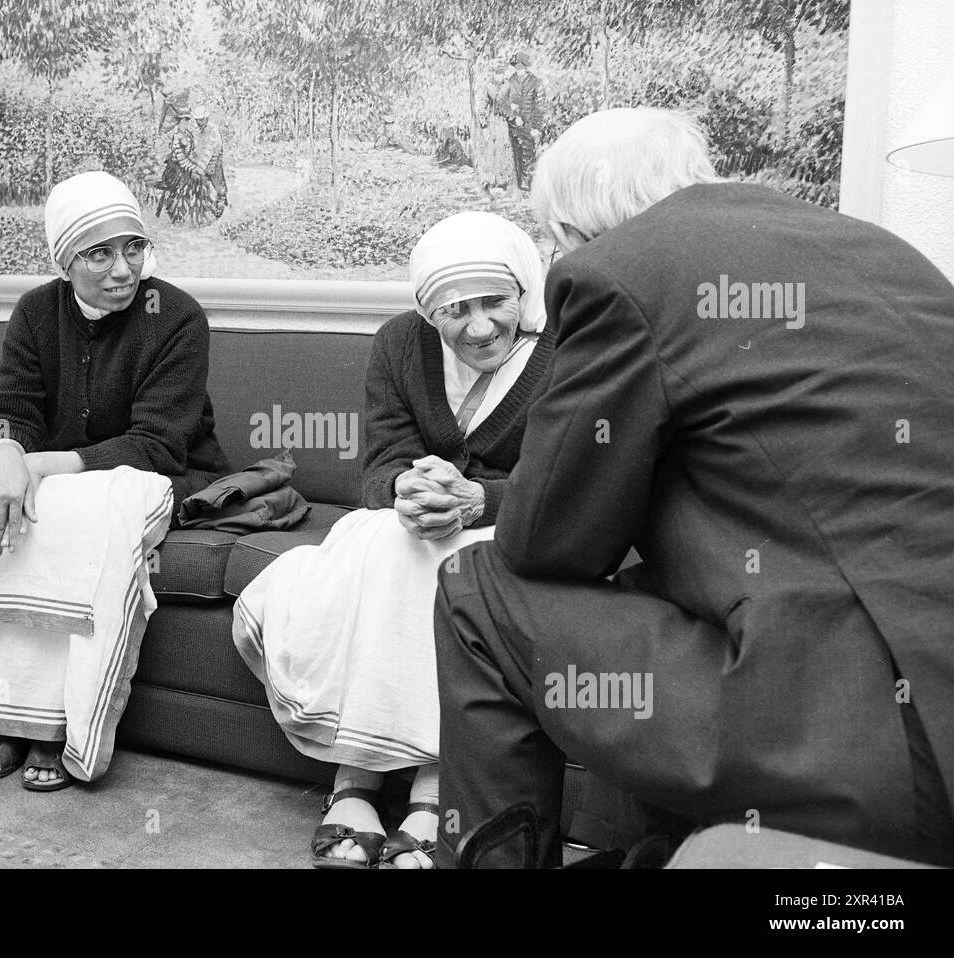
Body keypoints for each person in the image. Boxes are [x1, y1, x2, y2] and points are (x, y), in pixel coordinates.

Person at [434, 108, 954, 868]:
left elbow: (546, 542)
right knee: (663, 585)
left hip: (865, 738)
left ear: (577, 231)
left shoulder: (618, 268)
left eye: (552, 239)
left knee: (477, 586)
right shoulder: (883, 252)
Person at [234, 211, 554, 868]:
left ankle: (418, 789)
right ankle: (360, 782)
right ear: (426, 311)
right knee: (386, 541)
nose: (479, 326)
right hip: (412, 525)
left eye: (494, 302)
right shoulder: (399, 344)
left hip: (515, 527)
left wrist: (478, 498)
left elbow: (569, 483)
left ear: (523, 291)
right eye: (453, 310)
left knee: (447, 558)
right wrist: (408, 488)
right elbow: (380, 464)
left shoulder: (562, 356)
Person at [0, 171, 230, 791]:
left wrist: (35, 465)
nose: (123, 268)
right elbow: (8, 406)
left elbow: (155, 443)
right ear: (64, 260)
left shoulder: (175, 316)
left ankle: (58, 722)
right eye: (99, 253)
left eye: (134, 248)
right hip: (66, 477)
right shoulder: (38, 310)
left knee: (73, 517)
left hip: (157, 475)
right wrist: (6, 449)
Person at [490, 50, 546, 191]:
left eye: (521, 65)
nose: (519, 68)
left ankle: (527, 183)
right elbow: (500, 102)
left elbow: (540, 106)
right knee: (515, 154)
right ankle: (517, 183)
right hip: (513, 125)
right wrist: (513, 116)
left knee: (528, 153)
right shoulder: (509, 82)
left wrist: (536, 127)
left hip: (529, 124)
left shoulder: (536, 82)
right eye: (516, 65)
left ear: (526, 66)